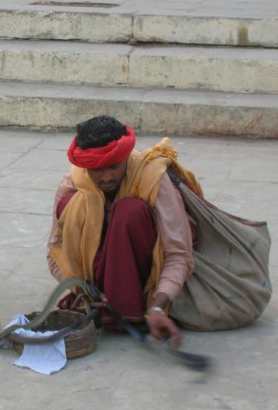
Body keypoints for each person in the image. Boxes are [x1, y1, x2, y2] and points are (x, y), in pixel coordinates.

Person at [47, 115, 203, 348]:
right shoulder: (72, 183)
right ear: (85, 166)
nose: (106, 177)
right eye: (97, 169)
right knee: (70, 205)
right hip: (98, 284)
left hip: (146, 275)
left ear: (125, 157)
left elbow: (179, 254)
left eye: (114, 166)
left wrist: (159, 306)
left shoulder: (153, 178)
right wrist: (83, 291)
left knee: (129, 211)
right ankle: (104, 301)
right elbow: (54, 252)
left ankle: (132, 305)